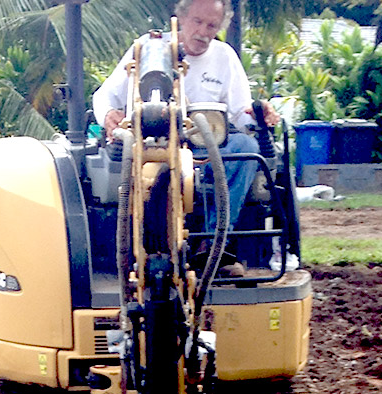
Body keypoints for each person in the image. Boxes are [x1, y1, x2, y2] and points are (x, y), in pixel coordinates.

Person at [92, 0, 281, 232]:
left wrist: (259, 113)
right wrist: (109, 114)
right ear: (181, 18)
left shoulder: (225, 57)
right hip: (151, 145)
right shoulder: (148, 48)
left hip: (207, 148)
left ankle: (216, 240)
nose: (203, 32)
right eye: (197, 21)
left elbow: (243, 115)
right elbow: (105, 95)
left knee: (247, 146)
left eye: (211, 26)